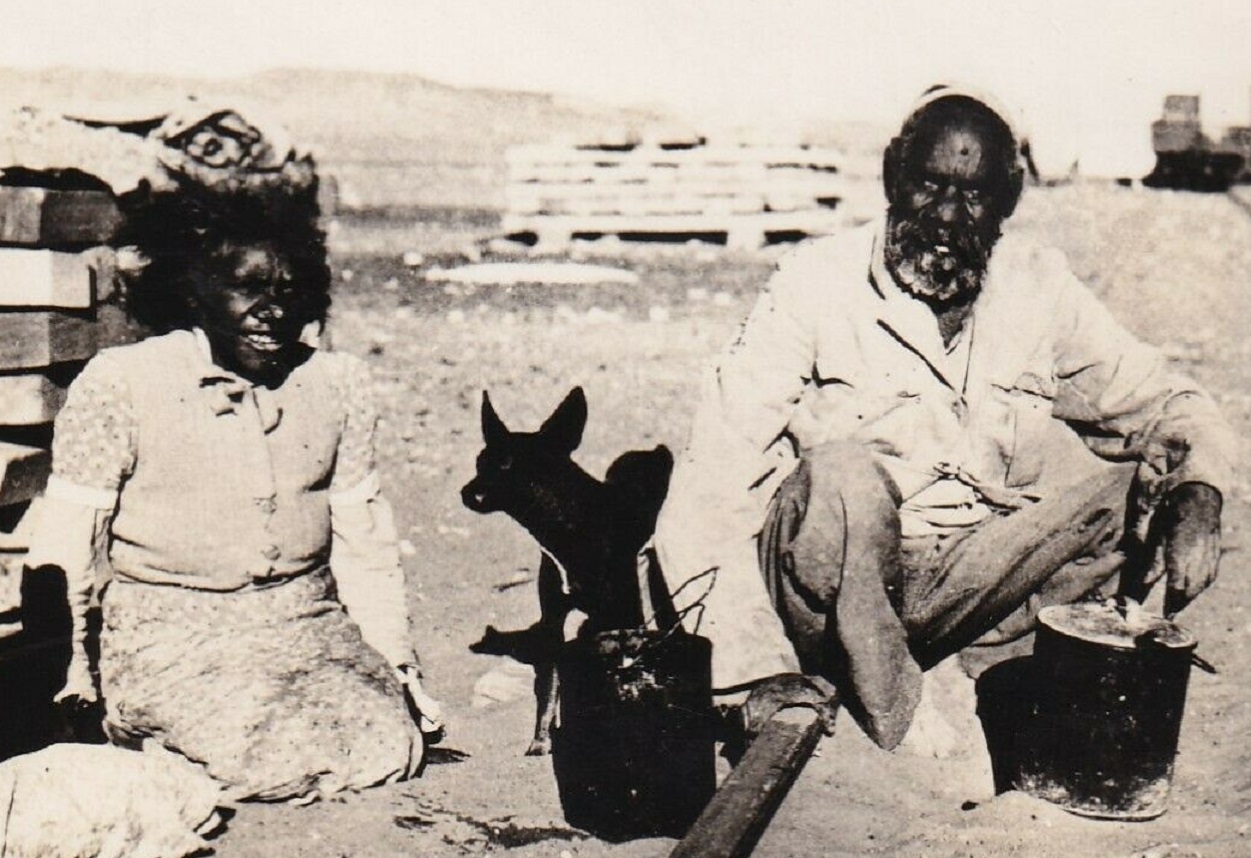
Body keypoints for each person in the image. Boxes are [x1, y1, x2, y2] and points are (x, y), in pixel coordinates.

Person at [651, 84, 1235, 749]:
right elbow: (713, 477)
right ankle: (899, 719)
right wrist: (750, 669)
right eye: (929, 187)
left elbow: (1164, 399)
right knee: (843, 474)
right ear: (891, 179)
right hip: (825, 592)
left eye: (975, 195)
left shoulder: (1037, 286)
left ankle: (1026, 684)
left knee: (1140, 488)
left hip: (957, 587)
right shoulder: (812, 283)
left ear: (1007, 202)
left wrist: (1198, 493)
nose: (948, 217)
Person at [25, 181, 443, 803]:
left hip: (304, 623)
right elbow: (67, 541)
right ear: (193, 291)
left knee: (387, 741)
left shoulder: (338, 383)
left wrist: (395, 663)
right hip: (174, 634)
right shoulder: (124, 383)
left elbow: (364, 544)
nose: (273, 310)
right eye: (247, 289)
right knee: (257, 754)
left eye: (288, 290)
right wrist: (70, 681)